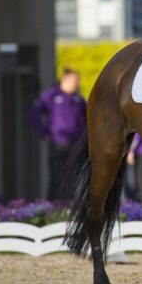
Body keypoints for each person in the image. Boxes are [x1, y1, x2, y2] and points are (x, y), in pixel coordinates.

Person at [29, 68, 87, 196]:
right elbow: (34, 114)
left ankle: (69, 207)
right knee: (57, 176)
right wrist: (45, 133)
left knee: (72, 177)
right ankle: (53, 206)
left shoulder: (78, 98)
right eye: (75, 80)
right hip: (58, 143)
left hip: (75, 144)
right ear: (65, 80)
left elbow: (89, 117)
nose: (77, 83)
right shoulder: (52, 95)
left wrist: (83, 134)